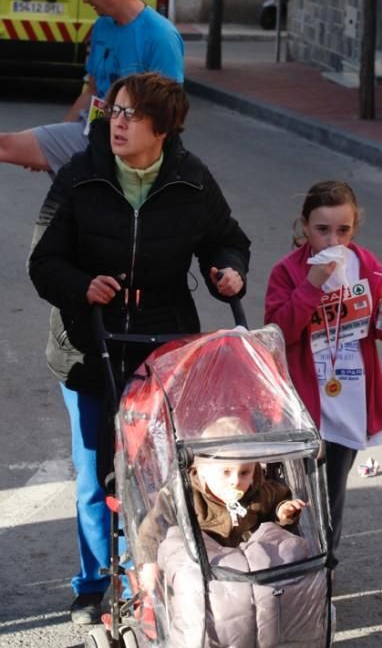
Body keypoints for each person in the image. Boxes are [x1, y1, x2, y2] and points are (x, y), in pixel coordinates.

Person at [28, 72, 250, 624]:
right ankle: (93, 583)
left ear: (163, 128)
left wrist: (229, 272)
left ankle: (152, 574)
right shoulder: (83, 173)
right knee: (94, 474)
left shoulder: (191, 180)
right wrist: (82, 286)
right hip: (87, 340)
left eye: (129, 114)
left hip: (163, 345)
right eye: (113, 111)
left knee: (158, 473)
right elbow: (44, 259)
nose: (116, 123)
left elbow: (227, 238)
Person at [264, 180, 382, 555]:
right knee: (295, 494)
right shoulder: (288, 271)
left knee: (330, 495)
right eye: (322, 230)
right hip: (305, 402)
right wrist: (311, 285)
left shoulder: (367, 266)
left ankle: (324, 572)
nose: (332, 241)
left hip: (351, 399)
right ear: (305, 227)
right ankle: (293, 566)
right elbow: (279, 333)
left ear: (354, 227)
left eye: (343, 230)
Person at [0, 0, 184, 175]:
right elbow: (92, 91)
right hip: (92, 129)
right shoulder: (102, 27)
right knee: (7, 145)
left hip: (126, 146)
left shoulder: (160, 36)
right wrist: (54, 141)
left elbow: (169, 114)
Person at [137, 416, 305, 593]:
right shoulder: (184, 496)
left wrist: (283, 512)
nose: (236, 481)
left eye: (245, 472)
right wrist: (150, 564)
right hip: (202, 571)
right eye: (226, 472)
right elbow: (152, 529)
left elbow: (276, 503)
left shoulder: (259, 491)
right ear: (202, 471)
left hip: (247, 571)